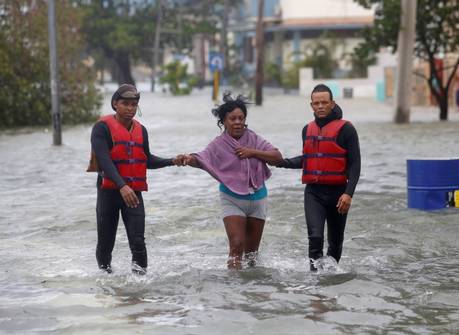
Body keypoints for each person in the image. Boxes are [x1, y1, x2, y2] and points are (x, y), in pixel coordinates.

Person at [174, 93, 282, 269]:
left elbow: (277, 156)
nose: (237, 122)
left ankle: (251, 289)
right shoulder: (218, 144)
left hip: (258, 198)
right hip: (232, 199)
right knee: (236, 246)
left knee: (252, 255)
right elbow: (202, 158)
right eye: (232, 118)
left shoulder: (254, 139)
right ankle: (233, 289)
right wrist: (187, 158)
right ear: (223, 121)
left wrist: (252, 152)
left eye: (241, 118)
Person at [88, 84, 175, 275]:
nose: (130, 108)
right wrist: (122, 186)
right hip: (108, 192)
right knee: (105, 243)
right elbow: (104, 161)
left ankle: (139, 288)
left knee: (138, 242)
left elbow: (147, 159)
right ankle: (106, 282)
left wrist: (172, 161)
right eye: (125, 104)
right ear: (114, 104)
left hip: (133, 193)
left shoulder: (141, 130)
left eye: (134, 104)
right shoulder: (101, 129)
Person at [277, 84, 361, 271]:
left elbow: (355, 164)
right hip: (314, 194)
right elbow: (308, 160)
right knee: (315, 237)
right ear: (311, 106)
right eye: (316, 103)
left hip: (339, 193)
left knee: (335, 241)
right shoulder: (307, 130)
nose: (320, 106)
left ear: (332, 103)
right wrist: (281, 162)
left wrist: (349, 194)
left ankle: (330, 279)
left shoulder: (346, 129)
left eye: (324, 102)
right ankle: (315, 279)